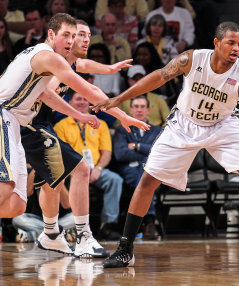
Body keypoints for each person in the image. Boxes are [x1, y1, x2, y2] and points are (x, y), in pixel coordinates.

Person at [93, 21, 239, 268]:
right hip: (184, 122)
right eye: (231, 43)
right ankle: (125, 249)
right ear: (216, 43)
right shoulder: (191, 59)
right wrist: (119, 99)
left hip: (223, 124)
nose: (236, 48)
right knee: (148, 179)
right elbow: (158, 77)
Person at [18, 15, 149, 257]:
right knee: (81, 169)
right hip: (27, 124)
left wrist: (110, 73)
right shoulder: (54, 63)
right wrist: (85, 116)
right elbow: (58, 93)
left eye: (88, 35)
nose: (85, 39)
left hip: (36, 125)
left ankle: (50, 234)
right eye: (79, 35)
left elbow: (92, 78)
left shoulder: (71, 63)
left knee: (51, 181)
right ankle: (83, 237)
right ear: (64, 38)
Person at [54, 91, 124, 240]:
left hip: (95, 169)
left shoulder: (101, 124)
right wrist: (77, 171)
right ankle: (74, 225)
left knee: (114, 180)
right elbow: (60, 154)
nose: (82, 102)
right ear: (70, 102)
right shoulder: (61, 125)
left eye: (85, 99)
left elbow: (106, 153)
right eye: (78, 98)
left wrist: (98, 169)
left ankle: (107, 225)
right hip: (71, 171)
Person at [113, 95, 162, 239]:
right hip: (127, 169)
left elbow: (160, 153)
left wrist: (136, 146)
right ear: (130, 110)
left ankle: (137, 224)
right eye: (136, 107)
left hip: (148, 170)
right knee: (146, 170)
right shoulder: (122, 129)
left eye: (142, 107)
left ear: (148, 110)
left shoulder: (157, 131)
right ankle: (150, 221)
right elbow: (120, 154)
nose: (139, 110)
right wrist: (146, 154)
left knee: (145, 170)